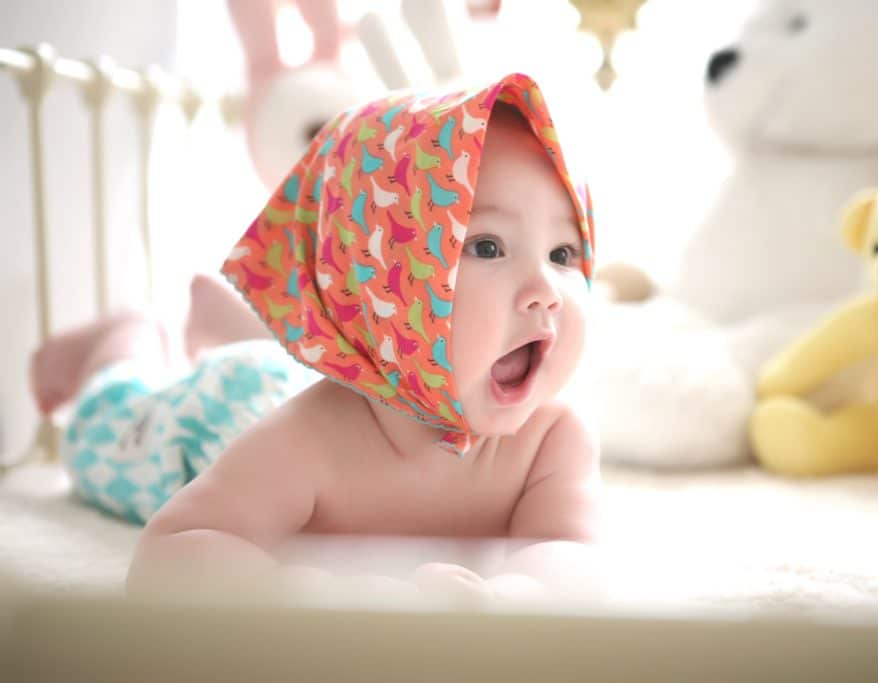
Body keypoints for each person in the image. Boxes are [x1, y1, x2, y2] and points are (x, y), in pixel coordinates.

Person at [30, 73, 600, 603]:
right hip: (224, 405)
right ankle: (125, 339)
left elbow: (569, 551)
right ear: (383, 278)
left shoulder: (551, 440)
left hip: (337, 366)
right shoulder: (312, 439)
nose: (546, 289)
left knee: (287, 358)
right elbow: (168, 551)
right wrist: (323, 594)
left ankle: (229, 322)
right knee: (106, 423)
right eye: (488, 247)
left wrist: (516, 596)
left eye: (562, 253)